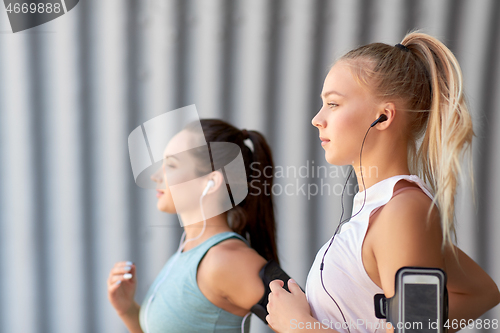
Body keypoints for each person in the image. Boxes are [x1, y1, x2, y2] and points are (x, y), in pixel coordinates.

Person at [265, 32, 500, 333]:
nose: (317, 118)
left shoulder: (403, 212)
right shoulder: (387, 211)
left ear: (384, 117)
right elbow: (480, 292)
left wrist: (299, 327)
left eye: (333, 104)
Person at [107, 119, 279, 333]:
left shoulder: (225, 260)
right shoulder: (190, 250)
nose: (156, 176)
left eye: (171, 165)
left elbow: (306, 324)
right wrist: (128, 310)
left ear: (211, 182)